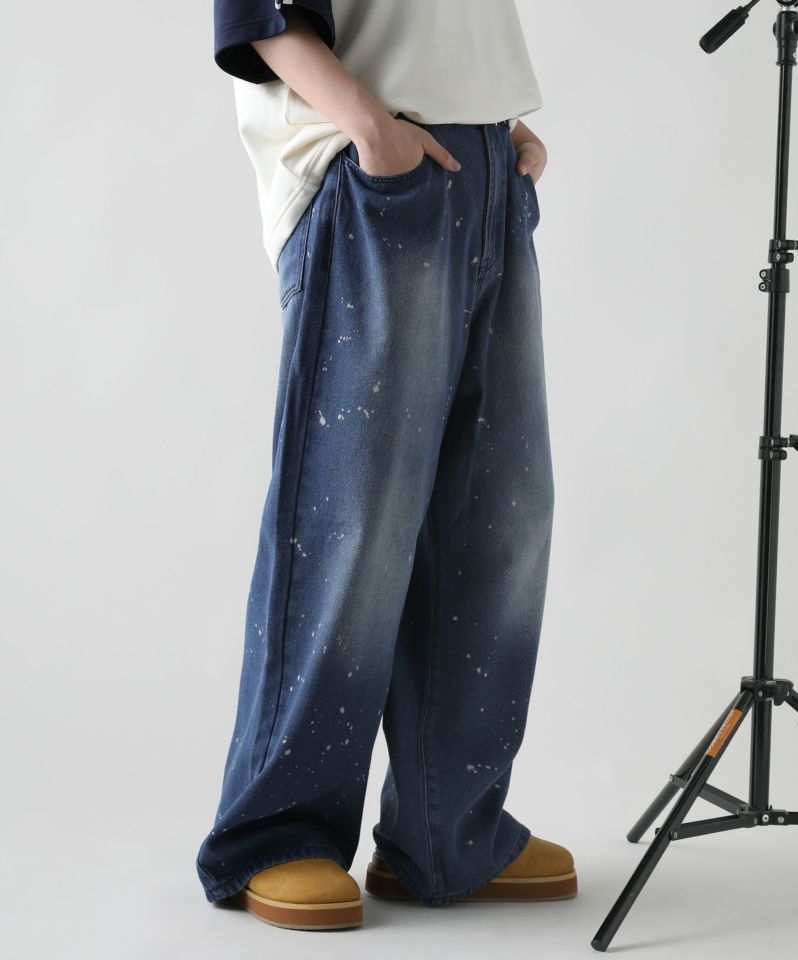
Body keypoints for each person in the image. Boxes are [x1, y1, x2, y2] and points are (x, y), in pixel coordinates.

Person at [196, 0, 576, 931]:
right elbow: (257, 12)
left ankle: (451, 830)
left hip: (480, 165)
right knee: (350, 524)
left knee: (500, 521)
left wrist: (493, 122)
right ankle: (277, 833)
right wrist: (370, 127)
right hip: (372, 173)